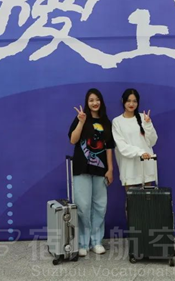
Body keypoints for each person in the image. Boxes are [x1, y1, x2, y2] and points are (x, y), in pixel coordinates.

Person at [68, 88, 114, 257]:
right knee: (83, 206)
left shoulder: (106, 122)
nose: (95, 103)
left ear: (101, 101)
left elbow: (109, 147)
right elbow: (73, 140)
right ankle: (82, 243)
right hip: (82, 169)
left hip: (101, 170)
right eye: (91, 100)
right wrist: (81, 122)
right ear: (87, 103)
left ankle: (96, 241)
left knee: (100, 206)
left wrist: (110, 169)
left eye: (97, 99)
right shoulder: (81, 118)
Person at [112, 88, 158, 189]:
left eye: (134, 101)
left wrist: (148, 124)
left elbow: (152, 141)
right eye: (128, 101)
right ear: (123, 101)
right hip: (128, 169)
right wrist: (140, 152)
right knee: (131, 198)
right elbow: (121, 146)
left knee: (147, 198)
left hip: (145, 165)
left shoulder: (143, 118)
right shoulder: (117, 121)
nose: (131, 104)